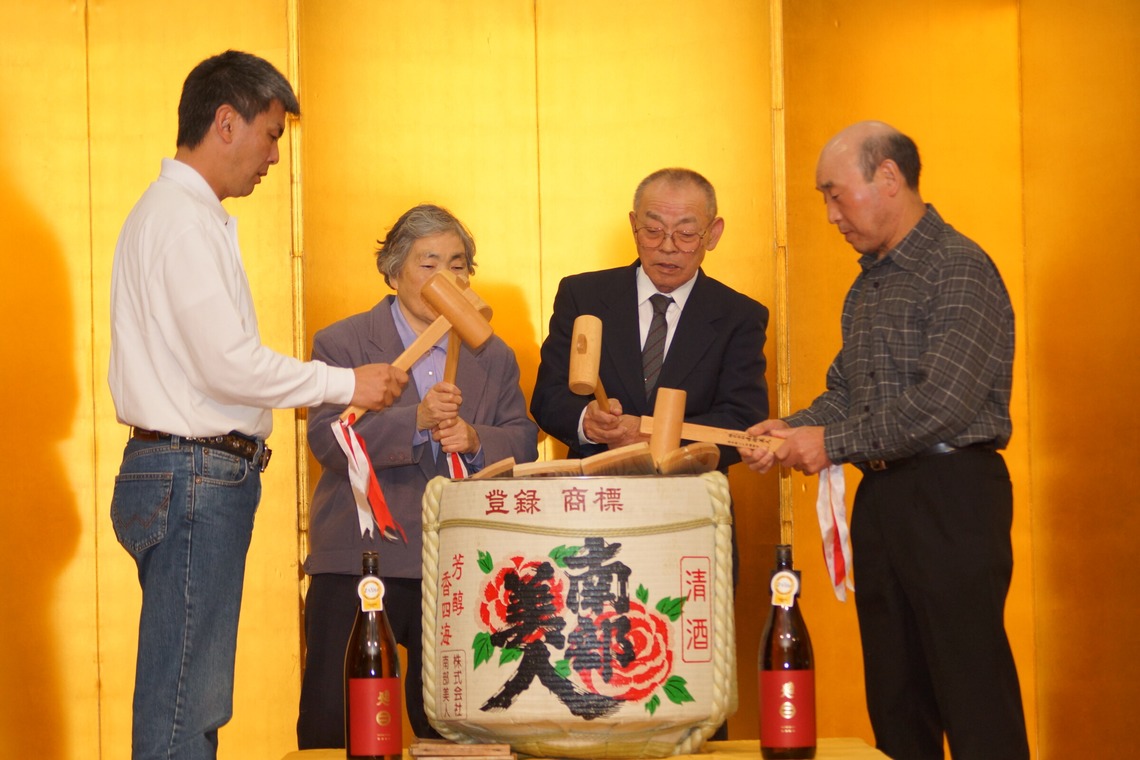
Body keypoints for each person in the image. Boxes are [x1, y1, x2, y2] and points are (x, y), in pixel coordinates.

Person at [107, 51, 406, 760]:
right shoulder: (181, 220)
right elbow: (227, 365)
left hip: (187, 474)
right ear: (226, 122)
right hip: (193, 475)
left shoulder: (185, 215)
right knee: (187, 702)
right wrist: (344, 383)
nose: (275, 156)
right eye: (272, 135)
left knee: (188, 693)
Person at [740, 121, 1029, 760]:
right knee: (896, 693)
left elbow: (942, 406)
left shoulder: (958, 267)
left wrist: (830, 441)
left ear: (889, 178)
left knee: (971, 687)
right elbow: (848, 391)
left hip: (952, 494)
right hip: (884, 497)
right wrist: (792, 428)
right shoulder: (868, 283)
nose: (830, 215)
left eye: (836, 194)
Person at [298, 204, 539, 747]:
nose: (445, 278)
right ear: (393, 270)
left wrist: (476, 439)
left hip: (458, 562)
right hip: (361, 555)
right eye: (429, 263)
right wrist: (416, 422)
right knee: (340, 719)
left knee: (457, 725)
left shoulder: (491, 353)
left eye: (458, 264)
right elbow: (325, 438)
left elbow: (523, 439)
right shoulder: (343, 343)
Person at [530, 167, 769, 469]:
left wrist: (654, 436)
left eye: (685, 234)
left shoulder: (739, 316)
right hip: (596, 496)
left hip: (689, 501)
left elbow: (741, 421)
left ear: (713, 234)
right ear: (633, 225)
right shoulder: (583, 295)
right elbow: (548, 397)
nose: (667, 247)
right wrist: (586, 422)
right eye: (653, 231)